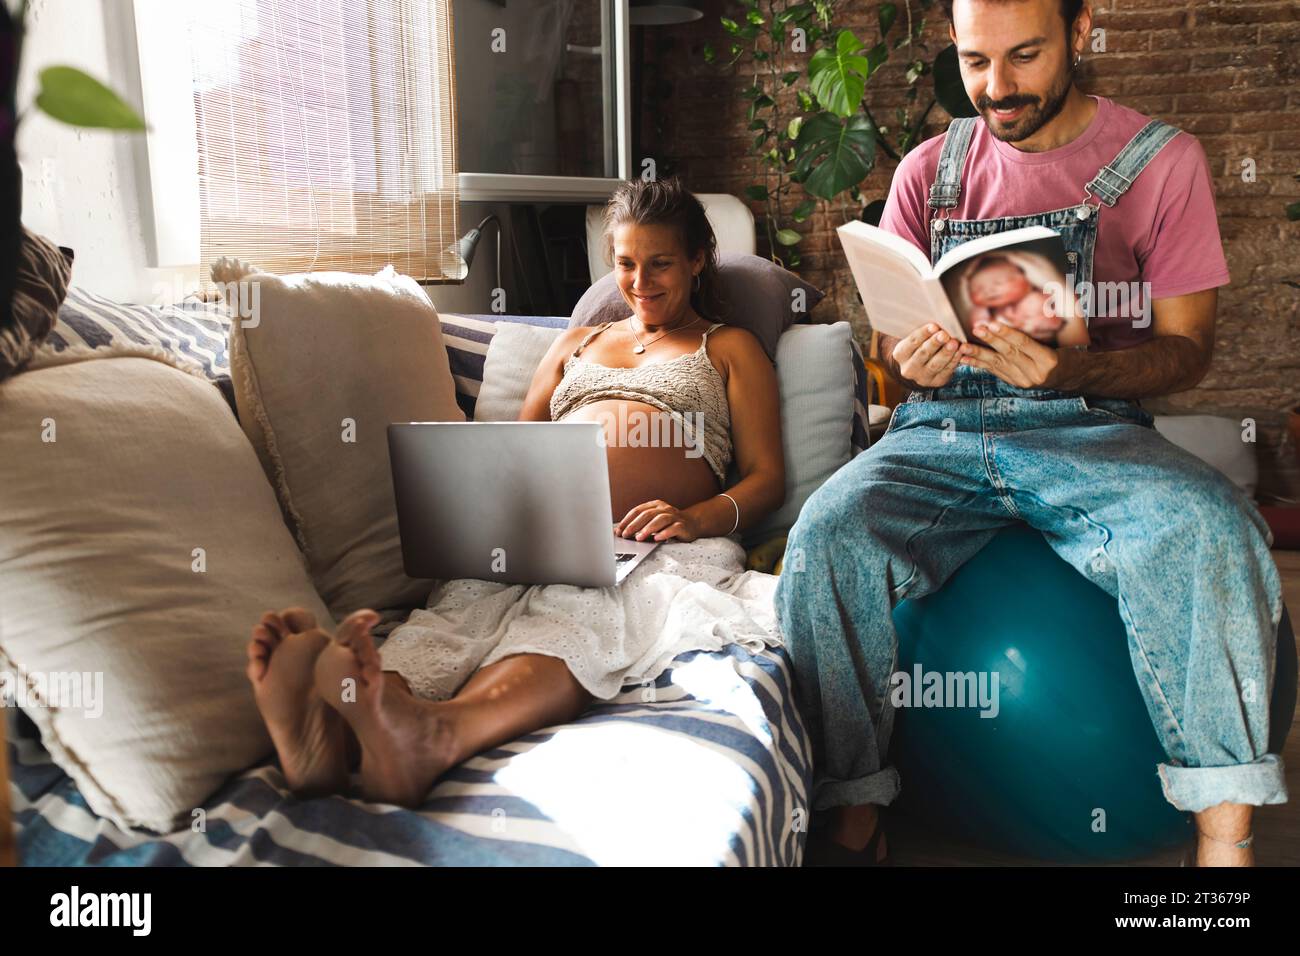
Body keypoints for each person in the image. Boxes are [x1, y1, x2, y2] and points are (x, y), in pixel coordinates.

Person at [777, 0, 1286, 867]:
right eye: (975, 62)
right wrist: (914, 363)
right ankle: (851, 815)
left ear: (1081, 32)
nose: (996, 88)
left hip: (1091, 431)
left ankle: (1222, 844)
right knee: (825, 535)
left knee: (1212, 530)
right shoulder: (926, 173)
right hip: (939, 429)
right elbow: (891, 348)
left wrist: (1072, 370)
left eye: (1023, 57)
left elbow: (1186, 353)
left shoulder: (1164, 164)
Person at [245, 177, 786, 808]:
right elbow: (511, 453)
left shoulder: (727, 347)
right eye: (625, 264)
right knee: (448, 627)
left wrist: (697, 517)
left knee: (570, 622)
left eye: (661, 263)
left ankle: (434, 735)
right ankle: (336, 739)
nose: (640, 282)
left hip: (651, 546)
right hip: (537, 534)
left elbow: (766, 477)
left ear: (697, 259)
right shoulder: (574, 344)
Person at [964, 254, 1088, 346]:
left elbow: (1060, 320)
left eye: (998, 283)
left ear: (1025, 278)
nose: (988, 291)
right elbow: (976, 326)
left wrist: (1037, 323)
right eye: (977, 289)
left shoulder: (1038, 296)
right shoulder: (985, 310)